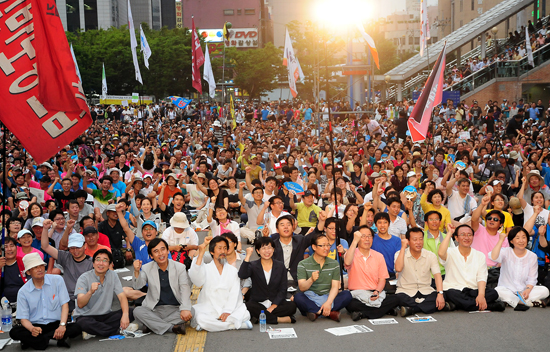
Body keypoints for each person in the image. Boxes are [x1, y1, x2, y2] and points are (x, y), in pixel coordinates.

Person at [10, 253, 81, 349]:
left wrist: (62, 326)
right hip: (35, 326)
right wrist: (32, 329)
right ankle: (54, 340)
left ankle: (35, 342)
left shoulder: (57, 280)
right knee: (14, 332)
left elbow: (65, 305)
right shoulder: (23, 291)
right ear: (28, 272)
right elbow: (23, 319)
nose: (40, 269)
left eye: (41, 266)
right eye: (35, 267)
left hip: (55, 324)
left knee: (77, 327)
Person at [188, 236, 252, 331]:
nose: (223, 251)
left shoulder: (233, 271)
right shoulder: (206, 268)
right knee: (199, 316)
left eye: (225, 248)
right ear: (212, 252)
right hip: (210, 307)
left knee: (245, 314)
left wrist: (227, 311)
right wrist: (201, 252)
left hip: (229, 308)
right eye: (219, 248)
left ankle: (211, 326)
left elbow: (235, 293)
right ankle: (237, 325)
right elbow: (196, 279)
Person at [438, 224, 505, 312]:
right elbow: (441, 253)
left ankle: (463, 305)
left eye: (469, 235)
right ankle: (490, 305)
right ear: (456, 238)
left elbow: (482, 277)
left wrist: (481, 295)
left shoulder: (479, 255)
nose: (467, 237)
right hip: (455, 289)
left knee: (493, 293)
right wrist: (449, 233)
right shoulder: (450, 252)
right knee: (451, 294)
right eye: (463, 234)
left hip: (473, 290)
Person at [132, 238, 193, 335]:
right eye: (156, 251)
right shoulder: (146, 268)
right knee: (137, 311)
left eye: (163, 249)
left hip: (175, 308)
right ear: (151, 256)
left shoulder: (180, 267)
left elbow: (185, 288)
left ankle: (152, 325)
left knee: (191, 311)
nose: (160, 253)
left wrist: (185, 309)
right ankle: (172, 328)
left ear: (168, 251)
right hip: (155, 309)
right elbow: (138, 285)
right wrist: (136, 271)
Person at [73, 249, 134, 338]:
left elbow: (121, 297)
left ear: (110, 264)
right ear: (93, 263)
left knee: (131, 312)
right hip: (87, 316)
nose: (101, 263)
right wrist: (90, 292)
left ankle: (95, 332)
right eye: (98, 260)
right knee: (83, 323)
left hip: (105, 315)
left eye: (105, 260)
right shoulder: (83, 278)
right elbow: (80, 304)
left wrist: (125, 315)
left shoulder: (113, 275)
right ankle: (116, 330)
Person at [345, 226, 400, 321]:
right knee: (349, 301)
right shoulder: (351, 253)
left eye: (369, 236)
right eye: (363, 236)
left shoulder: (379, 256)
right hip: (357, 294)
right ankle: (383, 311)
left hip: (375, 293)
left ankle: (363, 313)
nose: (367, 239)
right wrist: (354, 241)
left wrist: (377, 292)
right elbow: (347, 263)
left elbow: (382, 279)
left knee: (397, 298)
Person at [239, 237, 297, 324]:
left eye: (269, 248)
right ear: (258, 251)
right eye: (263, 248)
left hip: (275, 302)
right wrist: (247, 256)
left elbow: (283, 288)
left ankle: (260, 317)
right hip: (258, 302)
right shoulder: (253, 265)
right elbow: (242, 274)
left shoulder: (280, 266)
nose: (267, 251)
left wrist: (274, 305)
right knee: (248, 306)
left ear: (273, 249)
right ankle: (280, 319)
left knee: (292, 306)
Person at [294, 234, 352, 322]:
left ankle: (316, 312)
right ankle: (330, 313)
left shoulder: (334, 264)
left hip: (328, 296)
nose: (326, 248)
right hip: (311, 297)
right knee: (298, 297)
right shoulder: (303, 264)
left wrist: (328, 303)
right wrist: (311, 280)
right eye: (322, 245)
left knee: (347, 295)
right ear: (314, 247)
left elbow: (335, 287)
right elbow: (302, 288)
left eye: (328, 245)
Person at [490, 227, 550, 309]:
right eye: (517, 238)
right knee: (498, 291)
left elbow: (532, 278)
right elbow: (493, 257)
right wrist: (501, 240)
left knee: (544, 291)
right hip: (507, 289)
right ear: (511, 241)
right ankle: (524, 302)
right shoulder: (506, 252)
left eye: (524, 237)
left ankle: (513, 301)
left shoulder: (532, 256)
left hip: (524, 291)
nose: (521, 240)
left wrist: (528, 290)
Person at [41, 220, 93, 313]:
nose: (75, 251)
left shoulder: (92, 262)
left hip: (85, 298)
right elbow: (45, 247)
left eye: (78, 247)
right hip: (67, 298)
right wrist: (45, 229)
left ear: (85, 246)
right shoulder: (65, 257)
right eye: (72, 248)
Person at [395, 227, 446, 317]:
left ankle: (412, 309)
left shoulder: (430, 255)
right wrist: (403, 247)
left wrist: (440, 294)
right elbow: (398, 269)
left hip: (425, 290)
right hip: (406, 291)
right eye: (415, 240)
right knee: (397, 298)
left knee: (442, 295)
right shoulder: (399, 254)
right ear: (408, 241)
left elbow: (437, 275)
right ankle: (429, 307)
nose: (418, 242)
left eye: (421, 239)